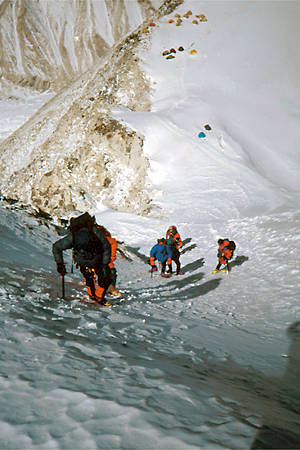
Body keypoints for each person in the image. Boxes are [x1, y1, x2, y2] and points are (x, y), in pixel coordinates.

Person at [52, 212, 112, 305]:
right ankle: (99, 298)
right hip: (97, 260)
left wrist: (60, 264)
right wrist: (105, 263)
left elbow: (57, 247)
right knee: (105, 277)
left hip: (82, 261)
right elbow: (106, 246)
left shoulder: (74, 236)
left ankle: (93, 296)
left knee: (88, 277)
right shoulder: (94, 231)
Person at [96, 225, 121, 297]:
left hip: (96, 261)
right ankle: (111, 288)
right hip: (107, 262)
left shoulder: (93, 239)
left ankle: (101, 289)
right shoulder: (111, 241)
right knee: (111, 272)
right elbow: (113, 255)